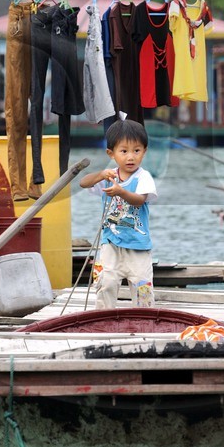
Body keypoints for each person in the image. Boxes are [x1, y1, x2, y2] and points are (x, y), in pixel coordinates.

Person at [77, 118, 158, 308]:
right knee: (105, 283)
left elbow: (139, 200)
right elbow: (83, 183)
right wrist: (100, 175)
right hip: (110, 243)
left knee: (142, 287)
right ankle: (103, 319)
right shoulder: (109, 176)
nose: (130, 157)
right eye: (124, 151)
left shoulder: (143, 177)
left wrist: (121, 192)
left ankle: (144, 320)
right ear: (111, 153)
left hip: (138, 246)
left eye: (136, 151)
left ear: (144, 152)